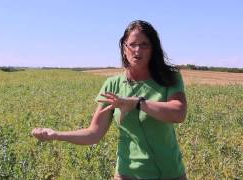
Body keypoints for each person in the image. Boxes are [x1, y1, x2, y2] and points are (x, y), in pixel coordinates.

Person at [32, 20, 187, 180]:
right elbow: (94, 133)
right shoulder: (113, 85)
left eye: (144, 44)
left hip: (170, 173)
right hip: (128, 174)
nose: (137, 50)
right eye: (132, 44)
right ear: (124, 48)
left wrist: (138, 103)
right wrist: (56, 134)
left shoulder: (169, 78)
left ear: (153, 48)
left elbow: (178, 113)